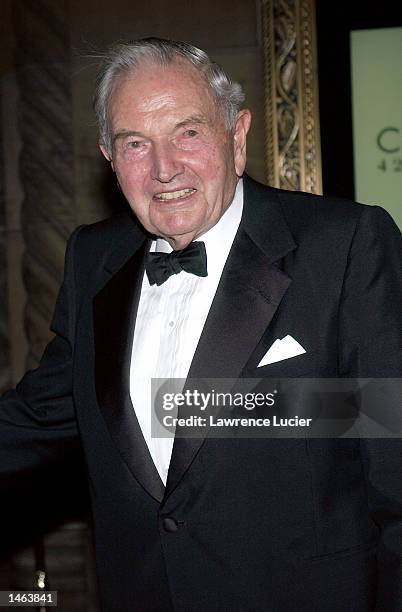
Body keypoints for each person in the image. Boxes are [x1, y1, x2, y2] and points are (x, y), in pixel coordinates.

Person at [1, 37, 401, 611]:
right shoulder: (94, 259)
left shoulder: (344, 247)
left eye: (187, 132)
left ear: (236, 138)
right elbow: (41, 414)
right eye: (135, 144)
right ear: (109, 160)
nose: (164, 169)